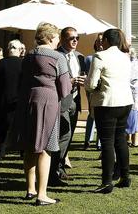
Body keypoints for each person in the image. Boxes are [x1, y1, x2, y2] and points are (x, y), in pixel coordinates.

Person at [12, 22, 70, 206]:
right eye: (57, 38)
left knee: (30, 146)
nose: (58, 41)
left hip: (28, 99)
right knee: (45, 148)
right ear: (52, 38)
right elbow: (65, 86)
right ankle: (42, 194)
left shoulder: (28, 55)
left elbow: (21, 80)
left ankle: (30, 189)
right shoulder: (57, 56)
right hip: (48, 101)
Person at [85, 28, 133, 194]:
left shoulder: (100, 56)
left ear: (105, 40)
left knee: (106, 142)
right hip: (125, 102)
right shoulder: (126, 57)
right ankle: (125, 177)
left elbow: (90, 84)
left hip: (107, 103)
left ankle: (106, 182)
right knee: (120, 140)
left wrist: (91, 85)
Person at [51, 27, 86, 183]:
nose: (75, 41)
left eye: (77, 38)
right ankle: (53, 171)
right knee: (62, 135)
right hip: (60, 100)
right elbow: (51, 79)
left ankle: (60, 167)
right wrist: (69, 82)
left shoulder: (79, 57)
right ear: (62, 39)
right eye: (71, 38)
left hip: (75, 100)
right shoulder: (56, 56)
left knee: (69, 136)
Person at [0, 39, 24, 160]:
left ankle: (0, 153)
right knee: (20, 129)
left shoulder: (0, 63)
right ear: (20, 50)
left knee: (2, 129)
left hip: (3, 101)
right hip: (19, 101)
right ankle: (22, 152)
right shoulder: (23, 63)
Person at [83, 33, 103, 150]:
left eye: (102, 40)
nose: (100, 42)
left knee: (101, 117)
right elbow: (86, 76)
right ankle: (87, 140)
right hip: (92, 90)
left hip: (103, 91)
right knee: (91, 115)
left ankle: (99, 143)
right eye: (98, 40)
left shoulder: (107, 57)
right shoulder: (89, 59)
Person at [126, 47, 138, 147]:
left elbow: (131, 79)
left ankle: (134, 140)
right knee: (134, 116)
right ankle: (132, 139)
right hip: (135, 94)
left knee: (132, 116)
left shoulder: (135, 64)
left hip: (133, 94)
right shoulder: (137, 63)